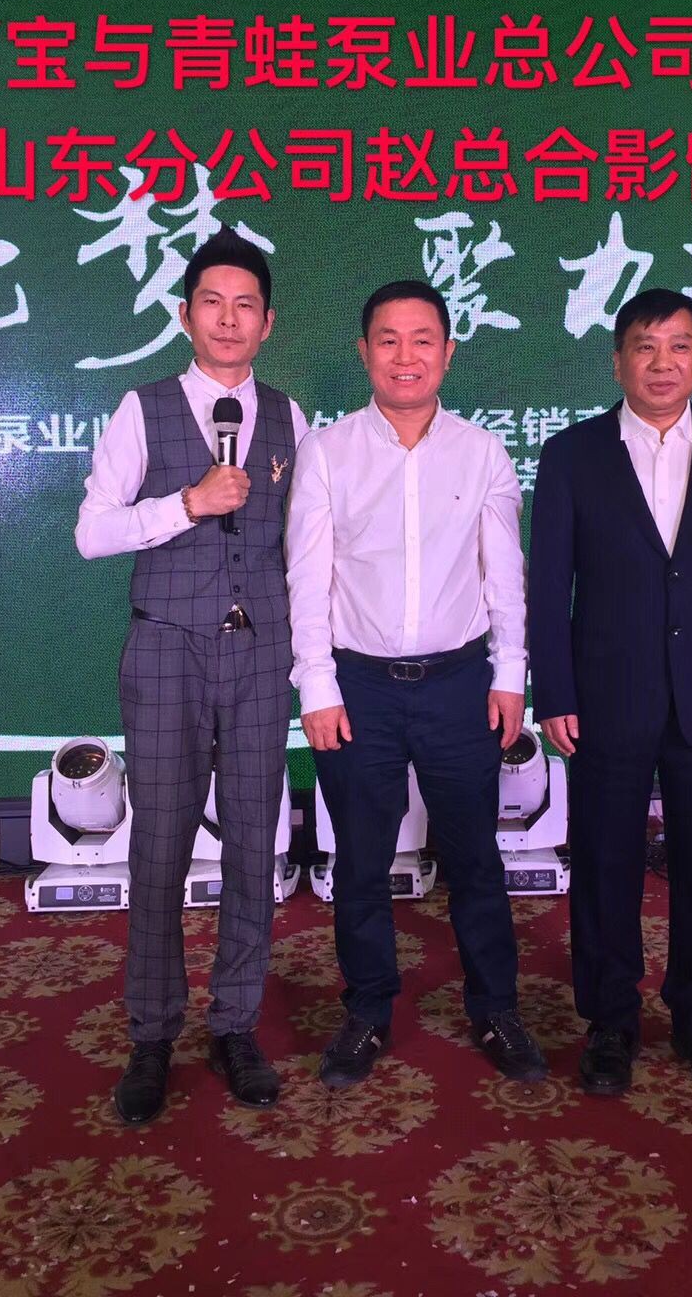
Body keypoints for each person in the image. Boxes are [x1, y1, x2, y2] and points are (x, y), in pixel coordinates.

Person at [528, 288, 692, 1098]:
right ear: (618, 362)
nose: (662, 362)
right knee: (604, 862)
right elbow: (549, 588)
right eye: (645, 346)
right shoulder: (572, 454)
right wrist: (554, 692)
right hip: (605, 694)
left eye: (679, 346)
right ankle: (610, 1022)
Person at [284, 279, 546, 1088]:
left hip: (460, 684)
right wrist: (316, 686)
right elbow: (308, 579)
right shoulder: (327, 452)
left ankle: (495, 1007)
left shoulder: (482, 453)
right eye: (389, 340)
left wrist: (511, 674)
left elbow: (505, 577)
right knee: (360, 863)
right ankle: (367, 1010)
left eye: (422, 339)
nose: (406, 356)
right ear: (364, 352)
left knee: (475, 857)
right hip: (356, 688)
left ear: (448, 352)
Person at [76, 226, 308, 1123]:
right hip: (167, 650)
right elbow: (92, 532)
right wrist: (186, 504)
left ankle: (235, 1025)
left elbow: (306, 546)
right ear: (185, 315)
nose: (228, 319)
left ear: (268, 323)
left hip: (260, 655)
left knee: (255, 844)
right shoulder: (142, 409)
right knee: (161, 847)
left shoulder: (290, 419)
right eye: (212, 302)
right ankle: (151, 1034)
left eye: (246, 305)